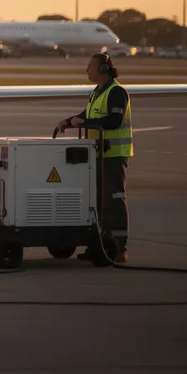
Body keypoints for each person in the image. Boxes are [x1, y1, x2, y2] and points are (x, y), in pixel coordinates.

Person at [54, 52, 131, 263]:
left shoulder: (116, 92)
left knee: (113, 201)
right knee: (96, 202)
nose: (86, 69)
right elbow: (89, 115)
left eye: (90, 66)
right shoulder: (97, 93)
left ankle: (118, 248)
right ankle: (99, 246)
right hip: (97, 154)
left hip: (113, 155)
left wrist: (83, 123)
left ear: (103, 69)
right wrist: (69, 121)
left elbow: (114, 120)